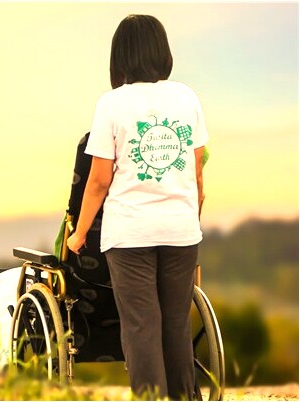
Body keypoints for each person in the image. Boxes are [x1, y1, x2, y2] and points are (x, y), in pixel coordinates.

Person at [67, 14, 208, 400]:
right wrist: (190, 221)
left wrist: (79, 234)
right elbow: (196, 175)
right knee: (176, 325)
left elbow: (98, 181)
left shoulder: (112, 104)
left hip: (130, 235)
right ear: (162, 52)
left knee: (142, 328)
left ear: (120, 56)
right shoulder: (187, 98)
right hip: (180, 231)